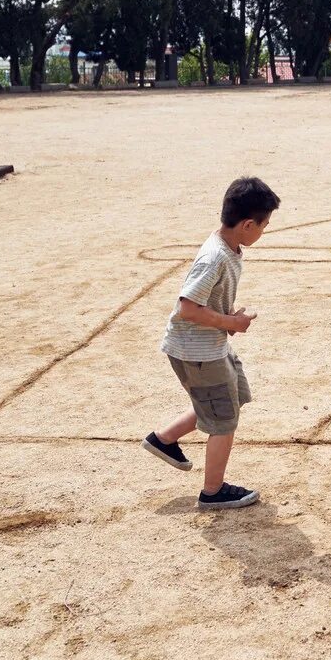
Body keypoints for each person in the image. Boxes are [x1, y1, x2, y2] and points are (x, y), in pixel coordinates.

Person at [141, 176, 280, 509]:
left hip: (208, 347)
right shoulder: (215, 257)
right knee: (224, 420)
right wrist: (230, 322)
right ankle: (213, 491)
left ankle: (163, 439)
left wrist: (225, 318)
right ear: (247, 224)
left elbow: (202, 305)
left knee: (232, 398)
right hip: (198, 353)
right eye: (264, 225)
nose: (264, 231)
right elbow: (187, 308)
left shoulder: (229, 249)